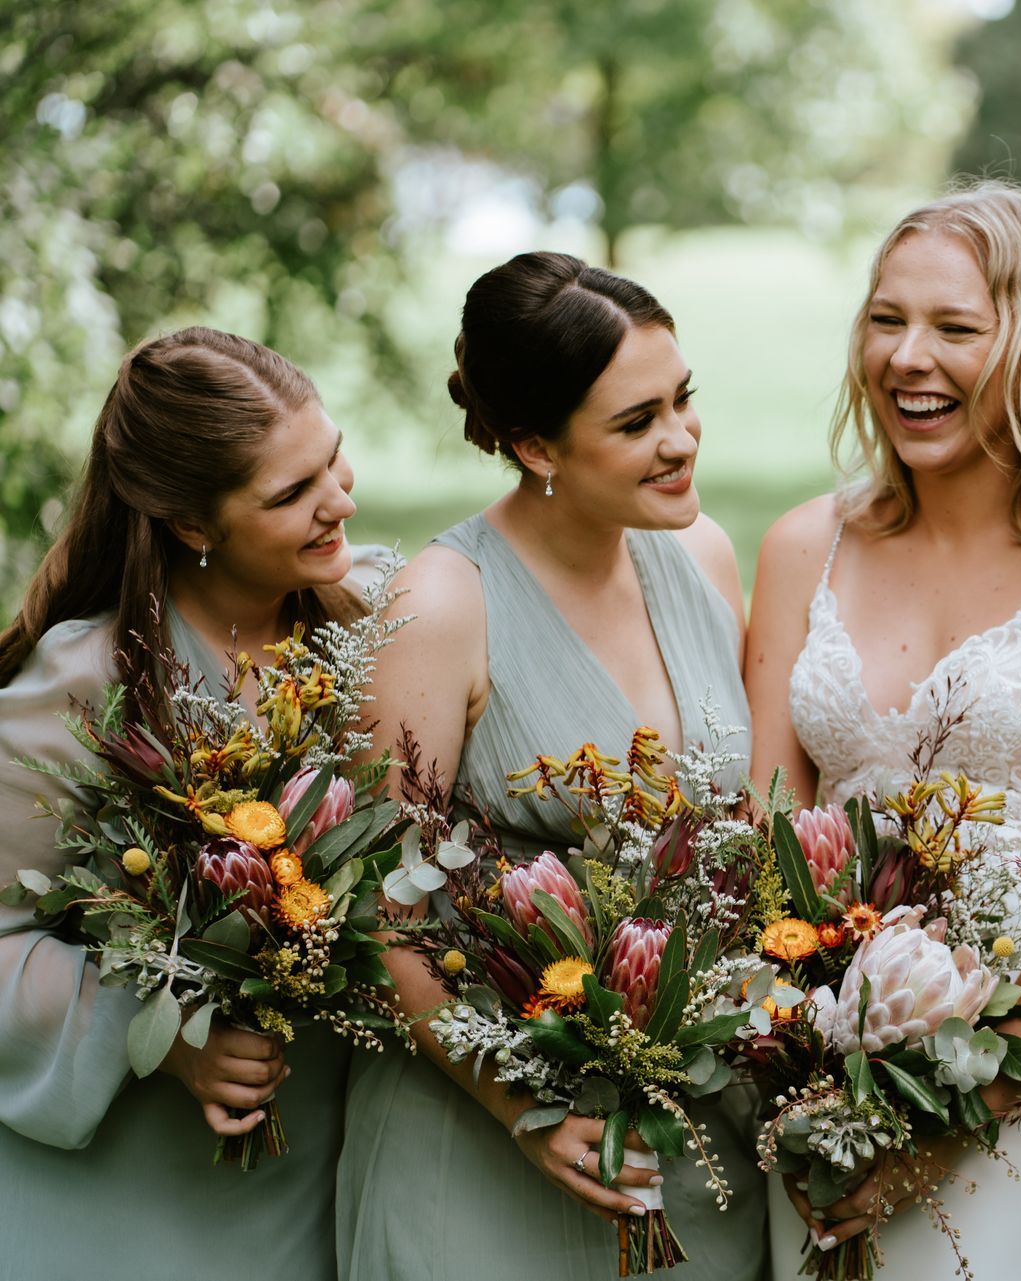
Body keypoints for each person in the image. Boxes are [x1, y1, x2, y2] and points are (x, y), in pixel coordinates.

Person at [746, 181, 1021, 1280]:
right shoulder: (806, 544)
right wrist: (810, 1059)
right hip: (828, 1072)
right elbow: (761, 840)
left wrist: (974, 1103)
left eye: (955, 327)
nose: (908, 357)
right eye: (887, 319)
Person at [333, 252, 765, 1280]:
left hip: (689, 1141)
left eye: (683, 400)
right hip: (492, 1149)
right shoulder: (443, 605)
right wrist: (520, 1105)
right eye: (636, 423)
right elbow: (379, 907)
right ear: (535, 444)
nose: (681, 441)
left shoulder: (700, 553)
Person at [0, 327, 375, 1278]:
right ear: (194, 526)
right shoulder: (87, 683)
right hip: (137, 1187)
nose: (339, 502)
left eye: (331, 458)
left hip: (330, 1152)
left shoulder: (372, 629)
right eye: (291, 494)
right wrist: (164, 1039)